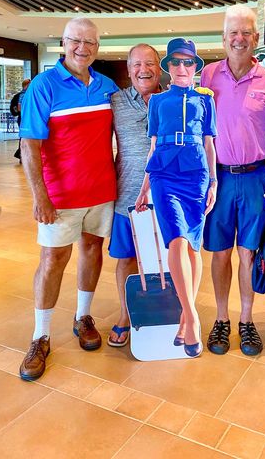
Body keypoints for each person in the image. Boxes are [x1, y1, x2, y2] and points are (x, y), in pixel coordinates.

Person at [18, 17, 118, 381]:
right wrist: (39, 196)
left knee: (93, 250)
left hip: (102, 191)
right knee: (53, 259)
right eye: (76, 41)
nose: (83, 48)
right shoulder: (43, 87)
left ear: (97, 47)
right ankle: (40, 336)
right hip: (60, 197)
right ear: (63, 43)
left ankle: (83, 316)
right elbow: (29, 145)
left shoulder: (107, 87)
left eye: (90, 42)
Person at [200, 5, 265, 357]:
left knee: (248, 253)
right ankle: (221, 318)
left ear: (256, 39)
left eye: (246, 33)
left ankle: (246, 321)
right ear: (223, 38)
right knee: (220, 254)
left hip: (253, 179)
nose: (239, 39)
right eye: (233, 32)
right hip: (217, 180)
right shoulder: (205, 77)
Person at [135, 38, 217, 358]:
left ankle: (184, 317)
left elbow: (210, 144)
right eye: (176, 62)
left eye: (189, 62)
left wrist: (213, 182)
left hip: (196, 174)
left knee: (194, 246)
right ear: (168, 67)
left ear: (195, 67)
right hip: (164, 176)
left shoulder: (206, 101)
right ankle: (194, 317)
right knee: (177, 242)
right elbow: (153, 145)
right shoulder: (156, 102)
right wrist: (144, 187)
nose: (182, 68)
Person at [107, 44, 162, 347]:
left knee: (162, 261)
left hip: (166, 199)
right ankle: (125, 314)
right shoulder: (115, 102)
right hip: (126, 196)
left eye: (150, 63)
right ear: (128, 70)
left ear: (160, 67)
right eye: (137, 64)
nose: (144, 70)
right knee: (126, 259)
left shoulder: (173, 100)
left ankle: (158, 311)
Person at [11, 78, 31, 161]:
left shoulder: (18, 96)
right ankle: (22, 155)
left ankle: (22, 155)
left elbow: (14, 110)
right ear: (26, 85)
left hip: (22, 118)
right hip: (27, 118)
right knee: (26, 137)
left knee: (24, 137)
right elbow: (17, 109)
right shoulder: (25, 95)